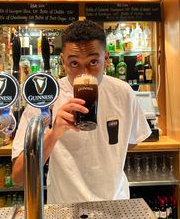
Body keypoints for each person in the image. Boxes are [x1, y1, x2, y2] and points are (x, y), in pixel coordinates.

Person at [12, 20, 151, 204]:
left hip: (115, 203)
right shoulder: (46, 98)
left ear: (106, 59)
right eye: (74, 64)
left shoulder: (123, 92)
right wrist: (53, 134)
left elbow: (131, 142)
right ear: (63, 62)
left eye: (93, 62)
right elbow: (19, 177)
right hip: (64, 207)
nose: (85, 73)